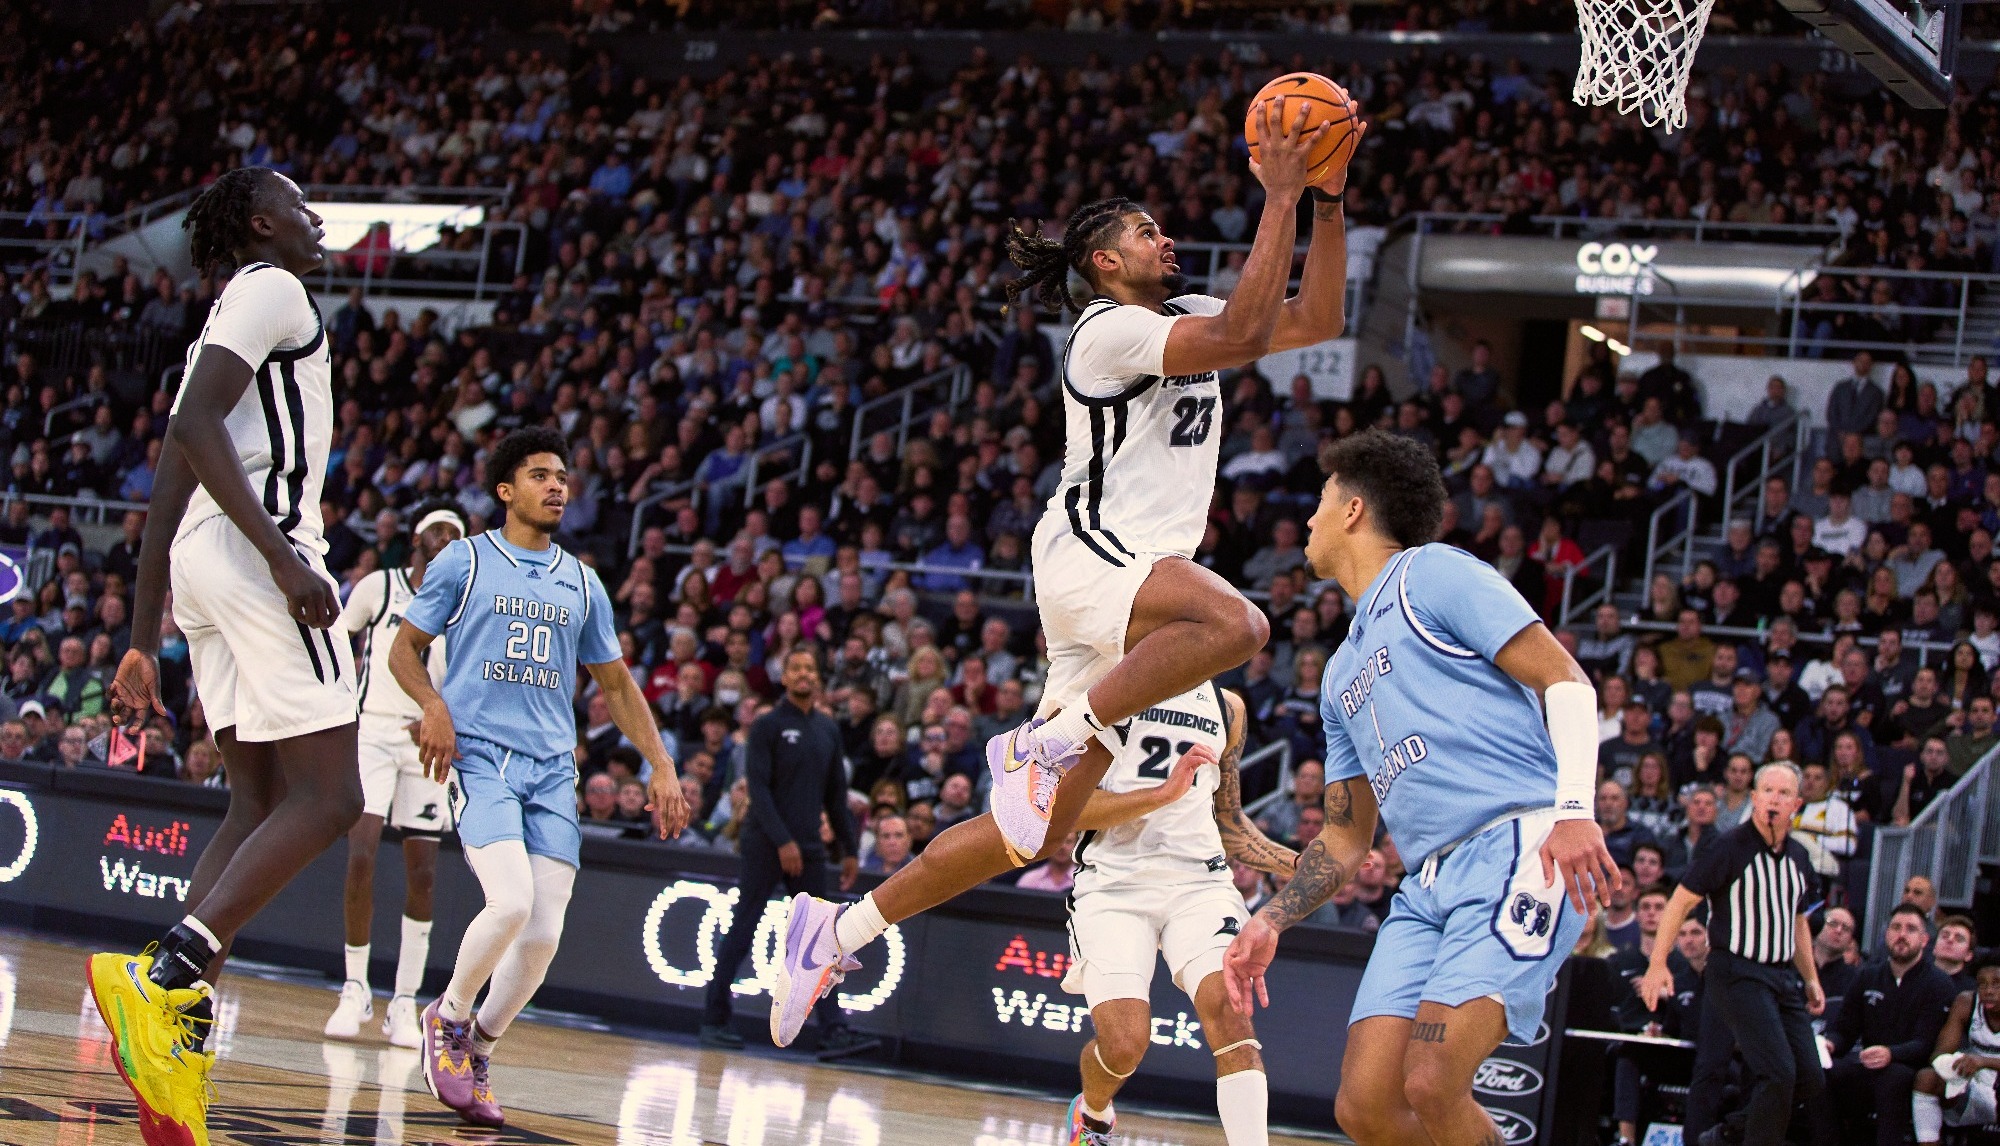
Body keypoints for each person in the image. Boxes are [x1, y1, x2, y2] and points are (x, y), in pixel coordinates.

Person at [766, 92, 1366, 1047]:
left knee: (1032, 837)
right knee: (1241, 627)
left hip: (1128, 584)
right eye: (1144, 231)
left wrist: (1328, 198)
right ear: (1104, 263)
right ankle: (1048, 743)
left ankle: (835, 930)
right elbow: (1250, 334)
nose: (1164, 239)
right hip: (1094, 555)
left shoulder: (1191, 309)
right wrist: (1282, 195)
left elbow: (1317, 317)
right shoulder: (1107, 330)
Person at [1220, 431, 1617, 1145]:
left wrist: (1576, 810)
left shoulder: (1431, 574)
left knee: (1432, 1081)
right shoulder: (1340, 673)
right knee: (1366, 1107)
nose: (1307, 520)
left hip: (1519, 845)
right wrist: (1270, 919)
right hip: (1428, 884)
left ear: (1352, 510)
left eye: (1318, 502)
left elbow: (1567, 679)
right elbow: (1346, 838)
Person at [88, 168, 358, 1146]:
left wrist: (141, 633)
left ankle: (176, 1046)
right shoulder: (273, 288)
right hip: (258, 555)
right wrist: (288, 559)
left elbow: (171, 470)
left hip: (206, 560)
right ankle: (164, 972)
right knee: (333, 798)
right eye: (298, 204)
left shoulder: (225, 315)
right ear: (258, 222)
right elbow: (197, 433)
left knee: (254, 803)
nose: (314, 220)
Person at [391, 427, 688, 1127]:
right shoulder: (463, 562)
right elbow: (405, 650)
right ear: (505, 490)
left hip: (553, 768)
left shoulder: (583, 581)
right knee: (511, 902)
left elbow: (615, 684)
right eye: (539, 475)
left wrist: (662, 761)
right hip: (482, 757)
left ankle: (482, 1045)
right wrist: (433, 704)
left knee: (545, 934)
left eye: (562, 476)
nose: (557, 486)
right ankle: (449, 1016)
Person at [1059, 685, 1297, 1146]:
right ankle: (1093, 1111)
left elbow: (1229, 822)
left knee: (1233, 1018)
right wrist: (1162, 794)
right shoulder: (1101, 686)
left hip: (1199, 884)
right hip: (1114, 885)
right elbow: (1064, 810)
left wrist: (1301, 865)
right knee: (1125, 1044)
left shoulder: (1228, 706)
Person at [323, 501, 466, 1046]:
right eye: (441, 529)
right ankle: (354, 987)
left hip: (426, 741)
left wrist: (437, 716)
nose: (449, 537)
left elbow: (469, 677)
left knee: (423, 872)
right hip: (373, 733)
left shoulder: (463, 602)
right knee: (361, 855)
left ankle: (404, 1002)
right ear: (418, 535)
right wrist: (340, 707)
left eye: (458, 532)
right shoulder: (378, 588)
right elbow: (336, 640)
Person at [702, 647, 875, 1059]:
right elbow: (757, 789)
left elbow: (836, 795)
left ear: (817, 678)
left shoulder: (827, 729)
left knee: (824, 941)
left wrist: (849, 849)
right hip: (766, 843)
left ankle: (833, 1030)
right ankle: (714, 1018)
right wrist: (783, 842)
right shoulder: (766, 725)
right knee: (743, 926)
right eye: (796, 668)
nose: (803, 674)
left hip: (810, 847)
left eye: (810, 668)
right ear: (784, 677)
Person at [1641, 763, 1826, 1146]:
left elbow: (1799, 922)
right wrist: (1658, 964)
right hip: (1736, 971)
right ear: (1755, 798)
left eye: (1784, 793)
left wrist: (1810, 978)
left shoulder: (1800, 857)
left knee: (1811, 1078)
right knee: (1777, 1073)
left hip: (1783, 977)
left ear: (1797, 803)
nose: (1775, 799)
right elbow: (1678, 903)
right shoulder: (1728, 847)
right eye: (1768, 791)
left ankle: (1727, 1134)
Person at [1817, 904, 1957, 1146]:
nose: (1901, 934)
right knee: (1820, 1074)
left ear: (1924, 940)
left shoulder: (1939, 983)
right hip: (1868, 1063)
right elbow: (1845, 1029)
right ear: (1886, 935)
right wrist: (1830, 1044)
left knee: (1893, 1078)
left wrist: (1892, 1053)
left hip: (1909, 1067)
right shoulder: (1867, 976)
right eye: (1896, 927)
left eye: (1911, 929)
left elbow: (1927, 1043)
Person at [1912, 953, 2000, 1145]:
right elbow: (1939, 1054)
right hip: (1977, 1089)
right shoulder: (1966, 1002)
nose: (1988, 991)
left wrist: (1984, 1061)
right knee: (1926, 1078)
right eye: (1982, 984)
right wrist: (1952, 1065)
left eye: (1996, 983)